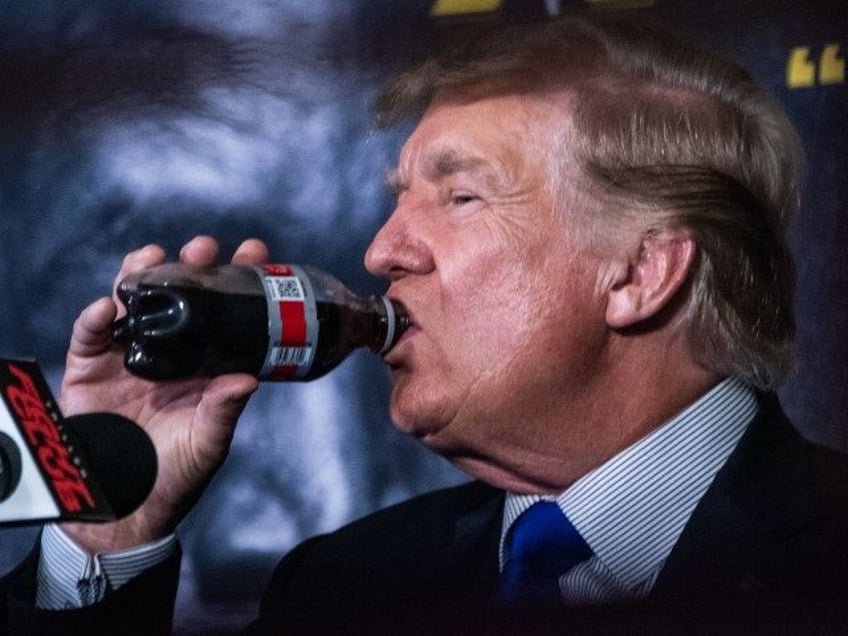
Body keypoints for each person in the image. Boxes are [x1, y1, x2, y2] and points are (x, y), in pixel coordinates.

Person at [3, 12, 848, 635]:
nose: (380, 252)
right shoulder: (341, 590)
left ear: (639, 273)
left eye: (460, 196)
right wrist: (104, 530)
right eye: (397, 199)